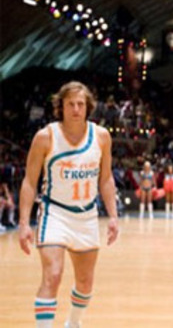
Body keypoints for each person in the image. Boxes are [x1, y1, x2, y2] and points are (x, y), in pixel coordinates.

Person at [18, 81, 119, 328]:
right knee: (53, 275)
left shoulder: (102, 137)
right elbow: (29, 181)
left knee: (85, 282)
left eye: (80, 104)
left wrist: (113, 216)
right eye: (70, 104)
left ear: (88, 107)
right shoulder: (45, 137)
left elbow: (106, 178)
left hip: (86, 216)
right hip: (54, 213)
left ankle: (73, 323)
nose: (76, 109)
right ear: (60, 107)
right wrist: (23, 223)